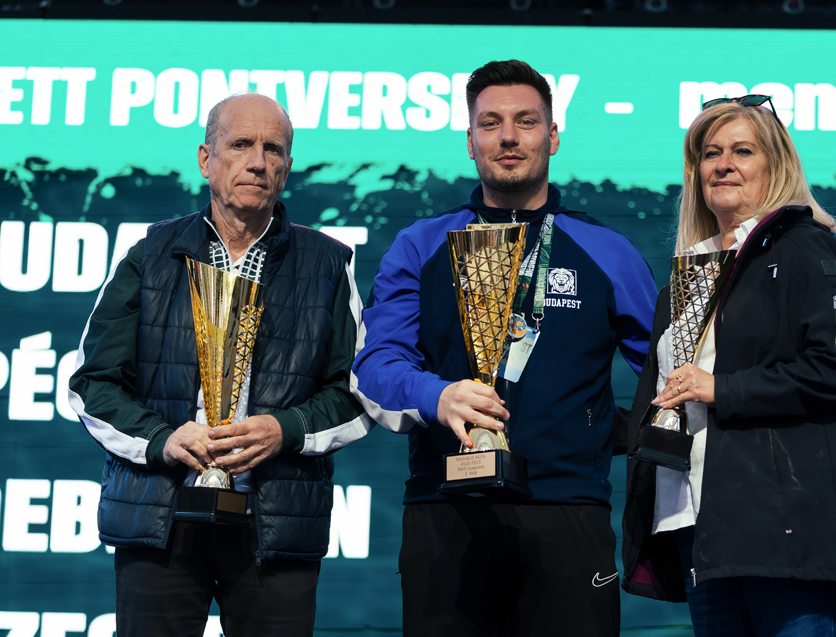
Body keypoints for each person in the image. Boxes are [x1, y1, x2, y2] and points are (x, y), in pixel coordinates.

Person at [352, 59, 658, 636]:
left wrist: (598, 429)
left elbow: (666, 376)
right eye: (490, 123)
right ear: (470, 142)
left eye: (526, 121)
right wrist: (437, 396)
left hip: (569, 509)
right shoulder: (421, 244)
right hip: (445, 507)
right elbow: (376, 366)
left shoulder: (608, 251)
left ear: (553, 136)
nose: (509, 137)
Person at [68, 93, 373, 637]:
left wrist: (285, 430)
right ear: (206, 158)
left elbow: (358, 392)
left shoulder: (329, 263)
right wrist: (162, 439)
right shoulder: (150, 254)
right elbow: (91, 384)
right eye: (241, 145)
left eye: (272, 149)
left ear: (287, 168)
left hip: (275, 524)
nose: (257, 162)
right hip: (161, 517)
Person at [621, 95, 836, 635]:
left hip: (783, 530)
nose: (723, 164)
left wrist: (721, 389)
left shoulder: (805, 249)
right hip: (698, 526)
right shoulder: (685, 279)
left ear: (775, 166)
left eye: (743, 151)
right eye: (710, 153)